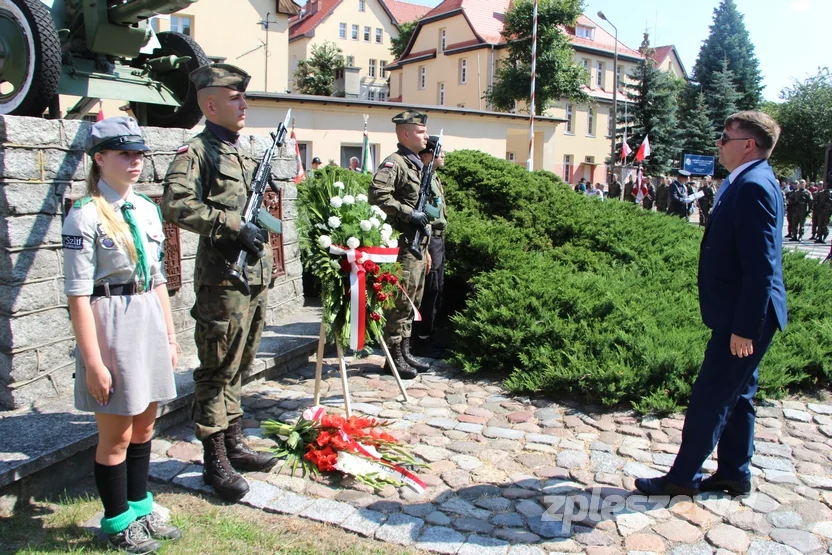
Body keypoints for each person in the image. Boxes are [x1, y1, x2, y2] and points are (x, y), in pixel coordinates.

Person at [635, 111, 787, 497]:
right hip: (741, 310)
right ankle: (735, 473)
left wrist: (744, 328)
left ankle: (681, 478)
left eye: (724, 138)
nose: (718, 144)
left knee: (712, 396)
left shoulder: (753, 186)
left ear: (748, 145)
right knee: (739, 394)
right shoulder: (747, 181)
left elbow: (761, 267)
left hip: (745, 315)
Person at [63, 117, 181, 553]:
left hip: (148, 315)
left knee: (146, 426)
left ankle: (140, 505)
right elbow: (77, 296)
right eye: (125, 154)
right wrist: (93, 361)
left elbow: (160, 281)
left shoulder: (147, 208)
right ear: (100, 158)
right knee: (115, 434)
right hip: (110, 320)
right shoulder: (85, 215)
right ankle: (116, 521)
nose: (135, 162)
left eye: (139, 154)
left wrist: (169, 337)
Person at [161, 63, 277, 502]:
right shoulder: (197, 152)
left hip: (253, 276)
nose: (245, 105)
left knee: (241, 363)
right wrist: (231, 225)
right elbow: (175, 204)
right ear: (210, 104)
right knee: (216, 368)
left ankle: (234, 441)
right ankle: (214, 458)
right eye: (235, 98)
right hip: (222, 282)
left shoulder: (242, 150)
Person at [369, 110, 432, 379]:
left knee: (412, 301)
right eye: (420, 132)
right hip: (404, 245)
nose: (426, 136)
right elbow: (376, 194)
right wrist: (408, 213)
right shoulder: (395, 163)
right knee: (400, 302)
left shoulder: (415, 163)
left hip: (418, 246)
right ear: (405, 134)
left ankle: (405, 352)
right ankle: (392, 358)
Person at [413, 135, 448, 357]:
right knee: (430, 288)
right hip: (428, 238)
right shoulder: (422, 177)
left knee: (438, 288)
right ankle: (420, 340)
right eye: (439, 151)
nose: (443, 155)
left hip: (438, 238)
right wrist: (425, 247)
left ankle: (429, 336)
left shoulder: (433, 176)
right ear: (427, 154)